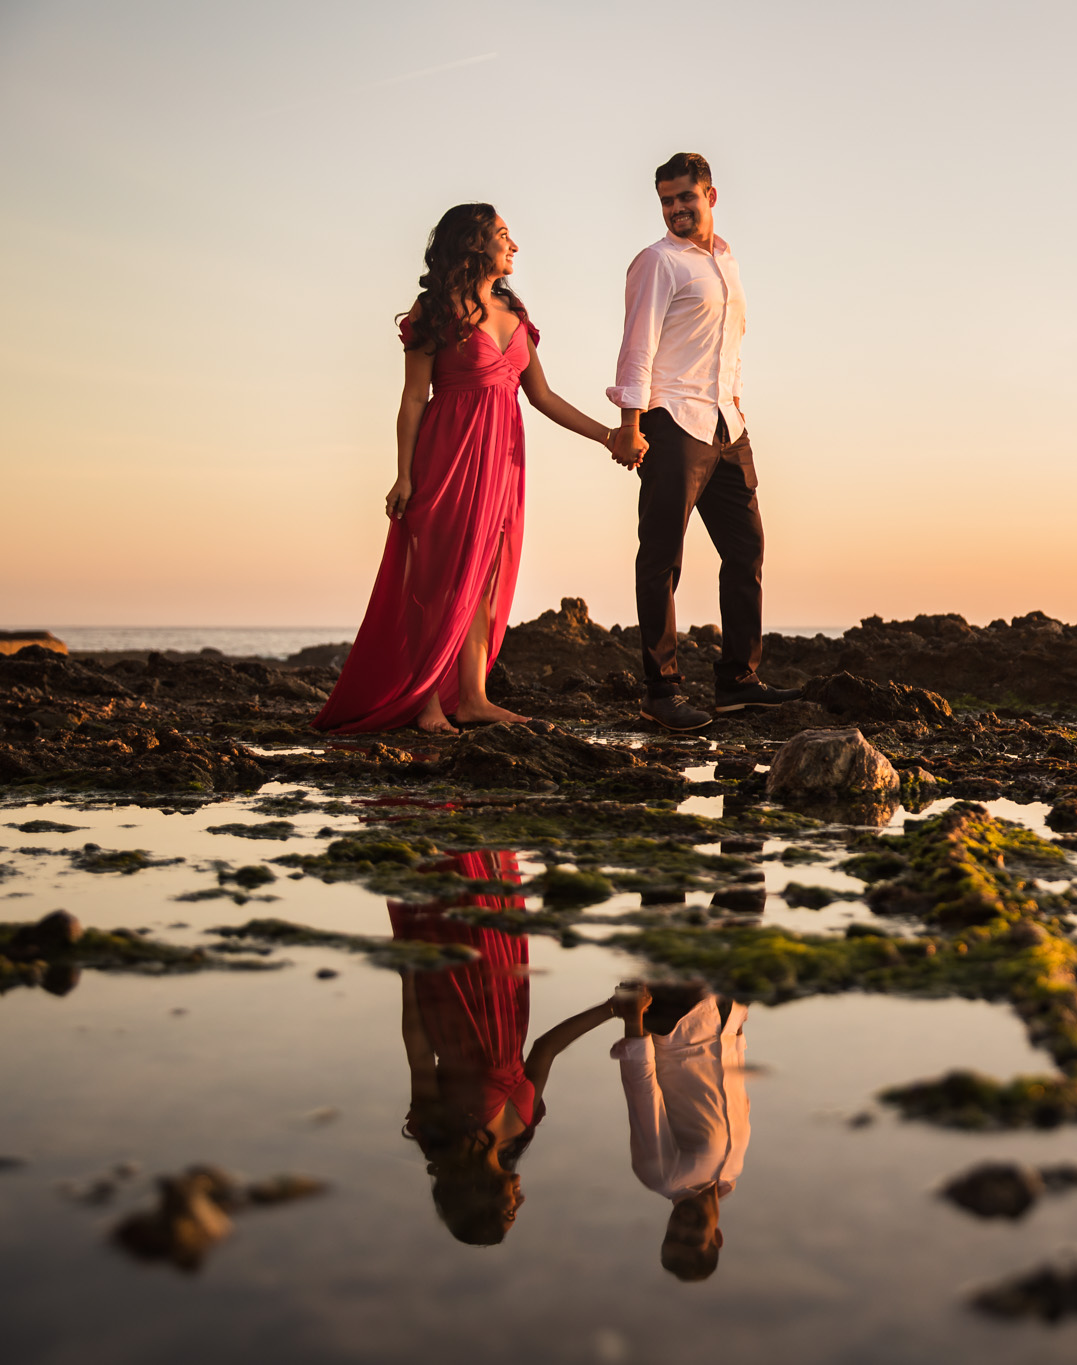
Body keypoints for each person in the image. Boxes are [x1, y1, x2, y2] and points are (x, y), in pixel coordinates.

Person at [316, 203, 625, 736]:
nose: (515, 245)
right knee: (438, 579)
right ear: (475, 242)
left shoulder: (514, 312)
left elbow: (543, 396)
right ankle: (427, 702)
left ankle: (474, 698)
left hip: (503, 462)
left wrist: (608, 437)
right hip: (449, 455)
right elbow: (414, 399)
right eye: (504, 235)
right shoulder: (434, 308)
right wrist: (403, 475)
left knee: (484, 576)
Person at [608, 153, 800, 732]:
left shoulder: (727, 262)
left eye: (685, 198)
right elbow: (637, 347)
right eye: (666, 201)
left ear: (710, 196)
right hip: (672, 422)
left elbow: (731, 345)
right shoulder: (657, 262)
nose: (675, 210)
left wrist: (736, 403)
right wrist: (630, 424)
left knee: (746, 550)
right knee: (662, 557)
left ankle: (739, 681)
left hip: (727, 426)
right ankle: (661, 690)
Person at [391, 851, 621, 1244]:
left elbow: (419, 1055)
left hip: (457, 999)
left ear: (477, 1200)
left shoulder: (442, 1137)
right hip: (509, 1003)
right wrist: (610, 1009)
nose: (521, 1200)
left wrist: (409, 976)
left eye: (510, 1209)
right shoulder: (522, 1132)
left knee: (459, 894)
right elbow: (545, 1050)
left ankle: (436, 815)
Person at [610, 980, 750, 1280]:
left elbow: (641, 1092)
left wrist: (635, 1018)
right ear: (717, 1238)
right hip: (725, 1015)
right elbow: (737, 1093)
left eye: (673, 1236)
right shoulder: (732, 1169)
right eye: (691, 1238)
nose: (682, 1227)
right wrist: (737, 1028)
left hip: (680, 1022)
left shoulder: (662, 1176)